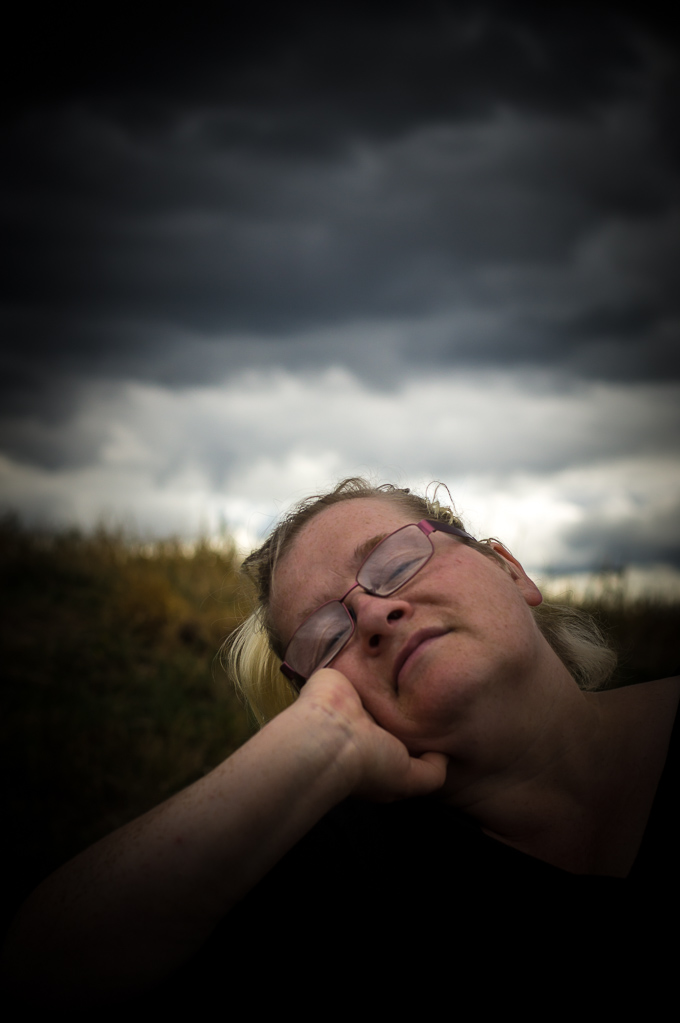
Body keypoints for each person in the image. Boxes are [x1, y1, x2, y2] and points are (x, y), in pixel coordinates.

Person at [3, 478, 679, 1008]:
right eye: (325, 638)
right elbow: (40, 976)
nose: (373, 613)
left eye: (398, 560)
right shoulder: (339, 882)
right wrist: (315, 745)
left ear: (509, 569)